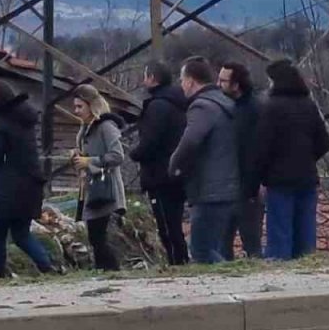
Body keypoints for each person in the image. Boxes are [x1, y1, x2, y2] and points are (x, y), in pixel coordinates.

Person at [254, 60, 329, 260]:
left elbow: (262, 148)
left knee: (280, 233)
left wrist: (259, 176)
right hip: (307, 177)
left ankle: (281, 274)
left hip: (279, 181)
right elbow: (324, 143)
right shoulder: (308, 106)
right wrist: (307, 158)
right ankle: (307, 270)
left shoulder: (270, 108)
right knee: (306, 231)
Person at [168, 57, 240, 265]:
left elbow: (190, 141)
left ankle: (231, 282)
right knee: (214, 246)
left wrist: (174, 166)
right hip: (229, 185)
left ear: (190, 81)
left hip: (209, 189)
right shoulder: (226, 103)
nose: (181, 85)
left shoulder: (202, 107)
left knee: (200, 250)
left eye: (182, 80)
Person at [0, 81, 57, 275]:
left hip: (9, 186)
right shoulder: (24, 118)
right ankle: (47, 266)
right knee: (21, 234)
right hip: (31, 184)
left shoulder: (2, 123)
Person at [129, 61, 190, 265]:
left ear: (153, 78)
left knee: (167, 227)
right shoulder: (177, 103)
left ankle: (178, 263)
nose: (143, 80)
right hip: (176, 173)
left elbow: (151, 141)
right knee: (174, 223)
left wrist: (135, 153)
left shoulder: (158, 106)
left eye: (145, 76)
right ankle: (180, 261)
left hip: (160, 175)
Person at [71, 84, 126, 272]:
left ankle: (112, 271)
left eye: (80, 107)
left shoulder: (105, 126)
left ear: (91, 106)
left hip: (106, 189)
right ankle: (105, 271)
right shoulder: (85, 129)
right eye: (75, 106)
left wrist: (89, 161)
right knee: (95, 237)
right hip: (92, 189)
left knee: (100, 238)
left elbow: (117, 156)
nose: (76, 111)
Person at [218, 61, 262, 260]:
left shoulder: (251, 111)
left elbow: (253, 152)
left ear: (236, 85)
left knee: (250, 241)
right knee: (222, 240)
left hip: (246, 187)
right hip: (231, 184)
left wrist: (252, 186)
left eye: (223, 81)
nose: (218, 84)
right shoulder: (233, 107)